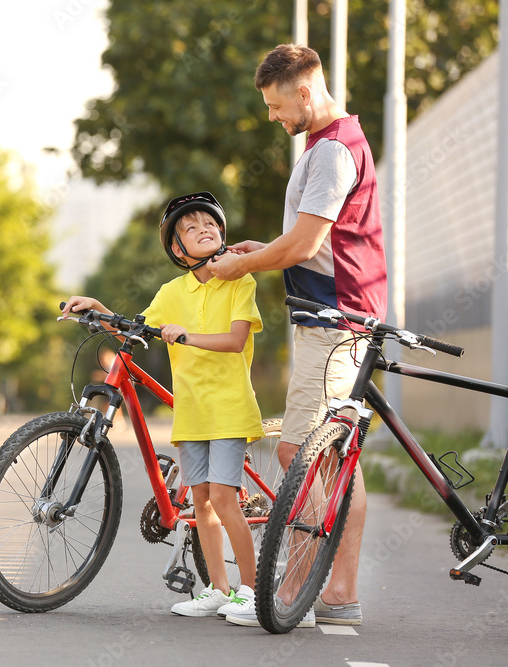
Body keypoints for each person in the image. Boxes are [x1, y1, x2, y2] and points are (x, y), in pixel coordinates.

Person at [210, 44, 387, 628]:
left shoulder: (333, 150)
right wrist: (264, 250)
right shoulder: (326, 144)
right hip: (337, 315)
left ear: (304, 93)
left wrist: (241, 266)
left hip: (336, 323)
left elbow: (307, 246)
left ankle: (293, 592)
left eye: (276, 105)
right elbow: (313, 242)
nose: (273, 117)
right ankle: (336, 593)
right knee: (337, 461)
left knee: (299, 450)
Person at [62, 192, 265, 618]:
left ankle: (252, 590)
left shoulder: (240, 281)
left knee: (226, 499)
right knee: (202, 504)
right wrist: (98, 309)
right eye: (191, 228)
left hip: (228, 407)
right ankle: (219, 591)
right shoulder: (173, 292)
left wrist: (186, 336)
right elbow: (136, 332)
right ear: (178, 249)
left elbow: (236, 341)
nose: (204, 229)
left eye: (210, 224)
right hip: (191, 412)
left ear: (222, 233)